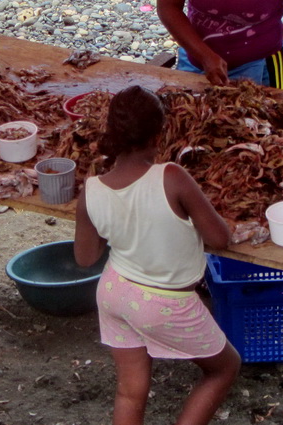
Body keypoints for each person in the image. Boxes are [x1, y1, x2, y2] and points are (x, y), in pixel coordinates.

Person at [74, 86, 240, 425]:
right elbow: (219, 238)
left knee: (130, 391)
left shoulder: (91, 190)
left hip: (114, 293)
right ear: (160, 132)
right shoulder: (171, 177)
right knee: (224, 368)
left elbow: (86, 258)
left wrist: (119, 226)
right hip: (164, 304)